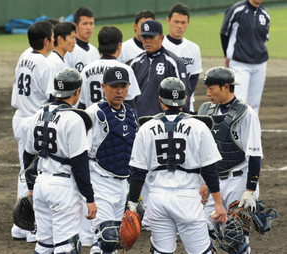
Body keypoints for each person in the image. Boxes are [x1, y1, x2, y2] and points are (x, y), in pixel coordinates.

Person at [127, 77, 227, 254]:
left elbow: (137, 172)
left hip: (157, 199)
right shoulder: (199, 127)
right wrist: (218, 204)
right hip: (187, 198)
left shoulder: (146, 128)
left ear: (160, 99)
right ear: (185, 99)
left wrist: (132, 204)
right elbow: (210, 170)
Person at [23, 68, 97, 254]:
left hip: (41, 184)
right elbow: (80, 165)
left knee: (44, 245)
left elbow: (28, 155)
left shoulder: (39, 114)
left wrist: (31, 188)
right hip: (63, 189)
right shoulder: (74, 119)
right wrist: (89, 198)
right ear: (77, 91)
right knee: (67, 247)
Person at [198, 67, 263, 254]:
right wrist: (206, 182)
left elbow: (254, 153)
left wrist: (250, 190)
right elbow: (206, 151)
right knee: (203, 233)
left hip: (239, 182)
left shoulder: (246, 113)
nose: (208, 93)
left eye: (212, 88)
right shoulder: (205, 110)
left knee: (236, 238)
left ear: (225, 87)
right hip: (216, 183)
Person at [86, 67, 138, 254]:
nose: (119, 91)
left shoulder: (131, 113)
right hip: (100, 182)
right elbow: (82, 152)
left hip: (122, 184)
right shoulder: (94, 113)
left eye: (123, 86)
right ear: (103, 87)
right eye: (114, 86)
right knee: (107, 237)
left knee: (112, 243)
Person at [10, 20, 54, 242]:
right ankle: (29, 227)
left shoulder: (25, 56)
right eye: (52, 36)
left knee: (25, 171)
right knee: (33, 173)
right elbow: (52, 96)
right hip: (33, 122)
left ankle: (21, 227)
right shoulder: (44, 64)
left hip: (20, 118)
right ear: (46, 41)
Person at [130, 20, 192, 117]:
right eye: (144, 37)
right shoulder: (135, 63)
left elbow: (183, 95)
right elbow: (129, 95)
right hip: (140, 122)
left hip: (164, 123)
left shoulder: (172, 62)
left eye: (151, 37)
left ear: (161, 38)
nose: (147, 41)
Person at [220, 0, 270, 114]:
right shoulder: (237, 10)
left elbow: (263, 39)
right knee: (238, 102)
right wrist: (227, 55)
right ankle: (236, 131)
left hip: (260, 64)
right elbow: (224, 33)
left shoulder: (265, 15)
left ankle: (252, 131)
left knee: (254, 104)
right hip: (239, 63)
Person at [78, 26, 140, 111]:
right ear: (119, 46)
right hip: (117, 122)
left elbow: (82, 104)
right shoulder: (125, 70)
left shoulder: (86, 70)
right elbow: (131, 104)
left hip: (92, 121)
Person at [163, 2, 202, 113]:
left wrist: (185, 96)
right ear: (168, 21)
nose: (179, 26)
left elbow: (194, 76)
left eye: (183, 22)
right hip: (162, 102)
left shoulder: (194, 48)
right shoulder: (160, 46)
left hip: (186, 102)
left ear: (188, 23)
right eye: (176, 22)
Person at [65, 6, 100, 73]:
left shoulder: (95, 51)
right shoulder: (68, 51)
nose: (89, 28)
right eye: (85, 24)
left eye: (91, 23)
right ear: (75, 26)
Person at [47, 22, 76, 95]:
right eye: (72, 38)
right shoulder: (53, 63)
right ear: (60, 39)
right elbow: (51, 95)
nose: (75, 42)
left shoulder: (63, 60)